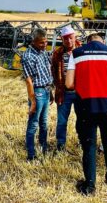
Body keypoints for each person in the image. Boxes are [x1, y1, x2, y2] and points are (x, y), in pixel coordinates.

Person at [66, 33, 107, 195]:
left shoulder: (76, 54)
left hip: (86, 106)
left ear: (87, 42)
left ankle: (90, 185)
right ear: (102, 42)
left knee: (89, 145)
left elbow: (69, 84)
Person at [21, 28, 53, 161]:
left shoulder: (43, 52)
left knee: (44, 123)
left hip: (46, 90)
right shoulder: (28, 56)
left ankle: (43, 148)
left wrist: (50, 91)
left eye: (46, 42)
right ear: (33, 42)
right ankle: (31, 154)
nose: (45, 45)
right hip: (38, 92)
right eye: (41, 43)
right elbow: (29, 81)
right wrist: (33, 101)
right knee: (33, 124)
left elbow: (47, 72)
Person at [51, 26, 81, 152]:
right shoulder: (58, 53)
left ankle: (82, 141)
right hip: (64, 93)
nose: (68, 41)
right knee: (62, 120)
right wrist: (55, 87)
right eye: (65, 39)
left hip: (80, 92)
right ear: (62, 40)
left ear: (75, 37)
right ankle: (61, 144)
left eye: (70, 38)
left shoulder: (82, 50)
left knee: (82, 119)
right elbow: (53, 71)